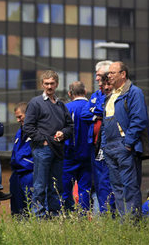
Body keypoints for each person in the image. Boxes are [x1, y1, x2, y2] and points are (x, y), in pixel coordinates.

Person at [102, 61, 149, 217]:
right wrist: (104, 144)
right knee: (117, 189)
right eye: (108, 73)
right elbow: (106, 122)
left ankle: (133, 225)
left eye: (112, 72)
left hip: (124, 147)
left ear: (123, 74)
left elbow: (139, 119)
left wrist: (128, 143)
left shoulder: (134, 92)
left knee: (130, 187)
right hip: (110, 148)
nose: (108, 76)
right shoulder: (111, 96)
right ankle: (125, 224)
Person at [23, 70, 74, 217]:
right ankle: (38, 216)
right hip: (42, 149)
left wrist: (63, 133)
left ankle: (54, 215)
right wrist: (43, 140)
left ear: (57, 84)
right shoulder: (35, 103)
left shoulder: (61, 105)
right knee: (40, 185)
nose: (49, 86)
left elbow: (70, 126)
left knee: (56, 186)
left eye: (52, 83)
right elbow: (28, 127)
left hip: (58, 150)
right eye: (46, 83)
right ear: (42, 84)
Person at [81, 61, 115, 213]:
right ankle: (103, 213)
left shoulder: (113, 94)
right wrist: (96, 115)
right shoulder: (96, 95)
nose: (97, 80)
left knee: (107, 183)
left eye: (100, 76)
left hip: (107, 144)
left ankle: (110, 214)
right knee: (99, 182)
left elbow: (104, 111)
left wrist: (96, 112)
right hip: (94, 145)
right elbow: (84, 113)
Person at [62, 81, 92, 211]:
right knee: (85, 189)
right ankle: (83, 218)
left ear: (70, 94)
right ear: (85, 92)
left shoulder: (66, 108)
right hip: (88, 154)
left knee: (64, 189)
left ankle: (65, 215)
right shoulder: (92, 107)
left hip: (69, 155)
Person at [10, 102, 33, 215]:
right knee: (17, 209)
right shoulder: (20, 132)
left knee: (29, 206)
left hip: (29, 174)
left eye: (20, 117)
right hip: (17, 174)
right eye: (17, 118)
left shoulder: (36, 131)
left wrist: (21, 163)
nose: (18, 120)